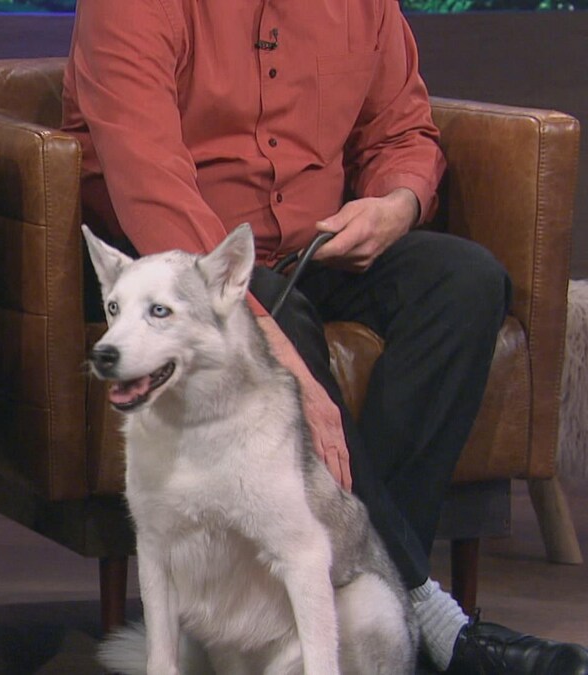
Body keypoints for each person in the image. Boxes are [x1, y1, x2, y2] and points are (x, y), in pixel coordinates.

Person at [62, 1, 588, 673]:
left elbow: (403, 131)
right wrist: (287, 366)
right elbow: (150, 189)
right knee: (279, 312)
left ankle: (364, 603)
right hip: (181, 270)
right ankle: (425, 614)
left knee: (467, 281)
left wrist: (396, 206)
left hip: (318, 244)